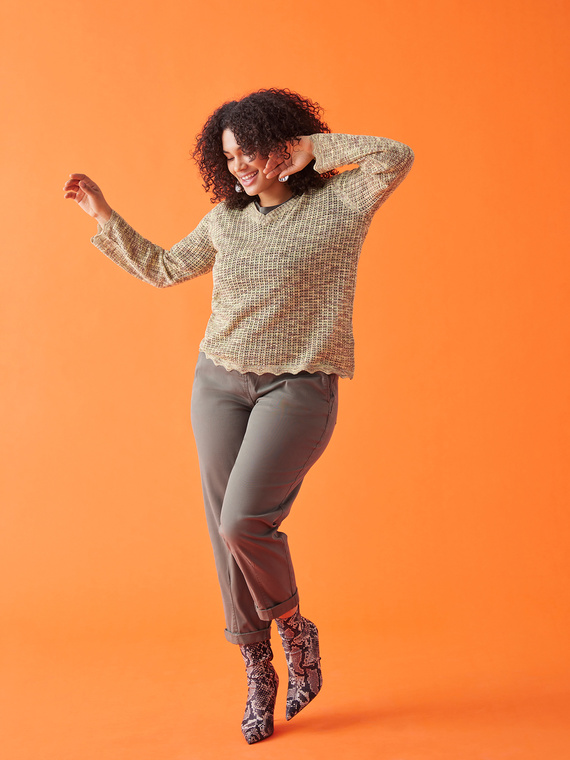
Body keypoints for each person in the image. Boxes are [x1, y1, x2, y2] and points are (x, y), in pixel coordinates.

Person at [63, 88, 414, 744]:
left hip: (298, 386)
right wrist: (104, 215)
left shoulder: (341, 202)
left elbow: (395, 156)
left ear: (284, 143)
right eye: (227, 157)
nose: (239, 167)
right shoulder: (226, 220)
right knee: (221, 533)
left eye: (249, 151)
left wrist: (313, 150)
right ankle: (258, 668)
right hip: (218, 384)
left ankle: (294, 631)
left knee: (243, 523)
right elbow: (165, 268)